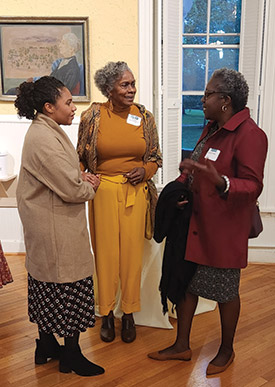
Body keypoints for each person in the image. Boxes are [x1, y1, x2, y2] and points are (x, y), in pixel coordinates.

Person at [148, 68, 268, 375]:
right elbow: (197, 167)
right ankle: (182, 346)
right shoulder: (211, 128)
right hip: (194, 225)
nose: (202, 99)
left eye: (207, 94)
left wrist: (222, 182)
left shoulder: (251, 135)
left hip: (224, 229)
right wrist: (182, 184)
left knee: (226, 292)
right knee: (186, 284)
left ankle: (226, 350)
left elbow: (253, 185)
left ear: (225, 100)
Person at [15, 76, 104, 377]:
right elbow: (72, 188)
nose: (73, 107)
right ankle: (71, 356)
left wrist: (80, 179)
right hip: (55, 228)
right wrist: (90, 185)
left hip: (49, 223)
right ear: (49, 107)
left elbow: (66, 176)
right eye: (68, 102)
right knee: (67, 288)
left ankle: (47, 346)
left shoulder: (46, 130)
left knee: (46, 287)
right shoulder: (43, 138)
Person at [77, 61, 162, 343]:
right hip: (103, 192)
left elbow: (155, 157)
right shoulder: (93, 115)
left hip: (135, 192)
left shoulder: (144, 116)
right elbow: (79, 156)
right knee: (106, 254)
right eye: (125, 85)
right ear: (109, 89)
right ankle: (105, 313)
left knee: (131, 256)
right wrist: (84, 176)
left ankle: (129, 313)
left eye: (133, 84)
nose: (131, 90)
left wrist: (145, 170)